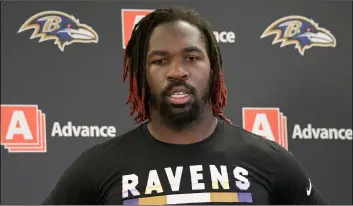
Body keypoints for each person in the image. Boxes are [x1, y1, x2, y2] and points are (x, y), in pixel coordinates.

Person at [43, 6, 328, 205]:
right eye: (160, 60)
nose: (177, 71)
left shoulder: (268, 161)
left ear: (214, 69)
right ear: (141, 74)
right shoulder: (98, 167)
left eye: (191, 57)